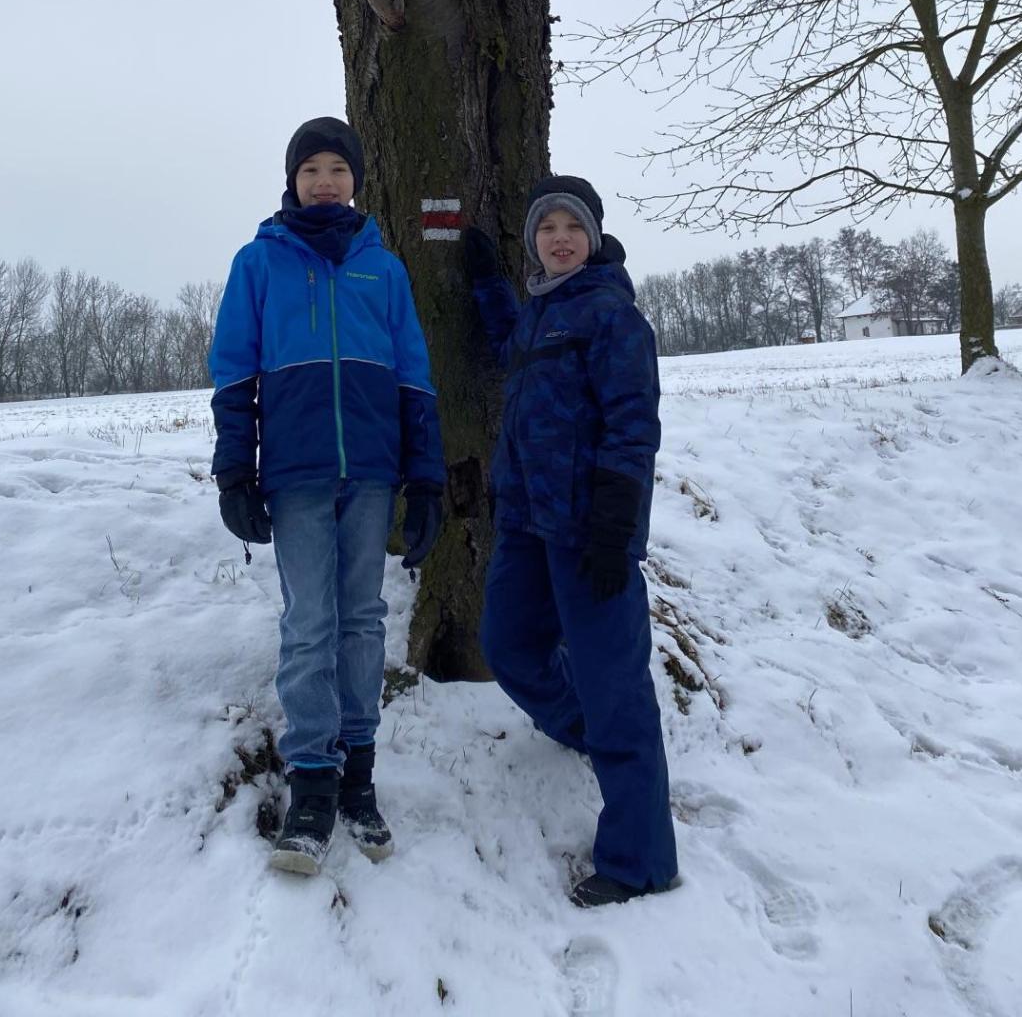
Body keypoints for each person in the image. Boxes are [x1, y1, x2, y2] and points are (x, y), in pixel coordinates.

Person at [209, 116, 445, 875]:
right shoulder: (259, 263)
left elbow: (414, 378)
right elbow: (234, 372)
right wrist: (234, 471)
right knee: (311, 622)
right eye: (310, 169)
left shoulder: (385, 269)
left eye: (337, 169)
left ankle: (358, 776)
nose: (324, 182)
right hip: (297, 476)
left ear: (356, 182)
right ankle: (312, 780)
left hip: (371, 473)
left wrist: (427, 476)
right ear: (292, 180)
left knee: (363, 620)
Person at [465, 175, 678, 908]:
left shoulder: (613, 317)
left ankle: (640, 861)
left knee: (615, 683)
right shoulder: (539, 314)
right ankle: (587, 730)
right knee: (507, 645)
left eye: (572, 227)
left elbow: (634, 425)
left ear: (593, 237)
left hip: (591, 532)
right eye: (547, 228)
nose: (560, 239)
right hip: (526, 524)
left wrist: (616, 527)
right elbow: (509, 349)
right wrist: (487, 284)